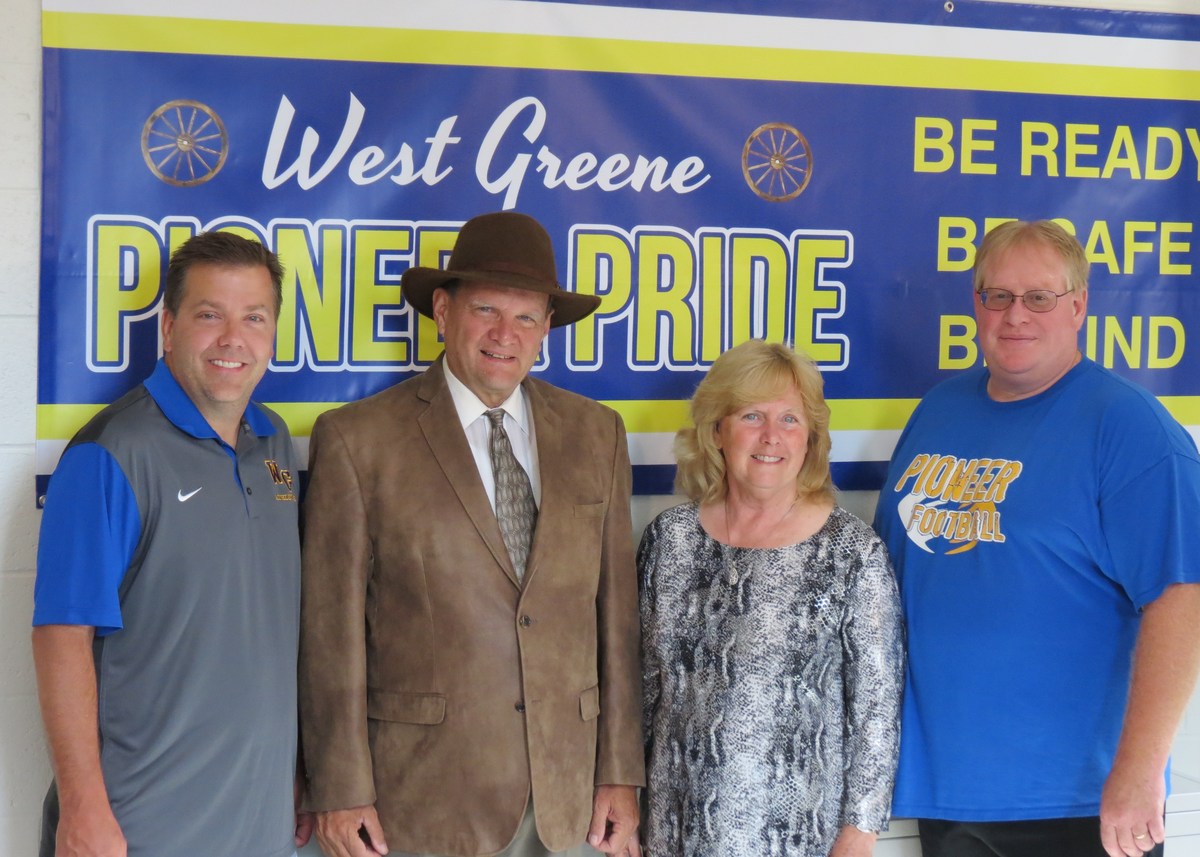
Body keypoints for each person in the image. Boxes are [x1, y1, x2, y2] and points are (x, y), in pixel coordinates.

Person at [299, 211, 644, 857]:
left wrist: (619, 772)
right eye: (486, 308)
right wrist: (339, 787)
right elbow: (330, 634)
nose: (503, 334)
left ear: (546, 328)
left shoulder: (597, 433)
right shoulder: (358, 440)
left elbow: (615, 621)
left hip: (565, 801)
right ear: (442, 310)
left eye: (525, 317)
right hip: (422, 798)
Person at [874, 219, 1200, 857]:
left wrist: (1139, 772)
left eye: (1039, 298)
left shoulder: (1130, 431)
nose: (1015, 314)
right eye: (998, 296)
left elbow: (1182, 599)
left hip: (1078, 797)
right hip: (948, 788)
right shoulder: (938, 412)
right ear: (977, 305)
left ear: (1078, 306)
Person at [32, 231, 311, 857]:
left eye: (254, 318)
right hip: (140, 828)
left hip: (259, 824)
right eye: (210, 315)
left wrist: (289, 772)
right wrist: (82, 808)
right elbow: (60, 636)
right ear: (168, 326)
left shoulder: (275, 446)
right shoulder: (109, 453)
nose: (233, 339)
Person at [639, 339, 904, 857]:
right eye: (752, 416)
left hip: (798, 835)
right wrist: (626, 798)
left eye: (790, 420)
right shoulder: (668, 540)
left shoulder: (851, 552)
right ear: (717, 430)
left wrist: (861, 829)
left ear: (811, 440)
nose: (771, 437)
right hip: (674, 826)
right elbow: (642, 687)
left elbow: (876, 706)